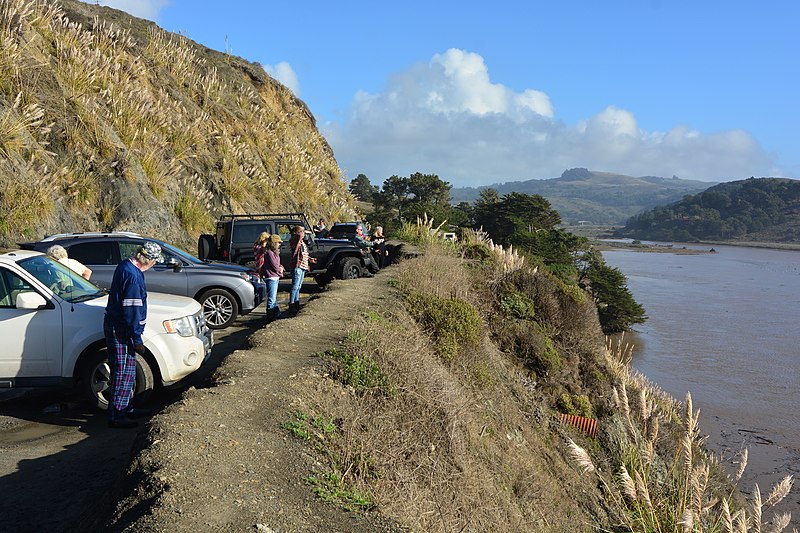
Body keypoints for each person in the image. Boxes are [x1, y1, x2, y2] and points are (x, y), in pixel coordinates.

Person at [103, 241, 161, 428]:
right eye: (154, 261)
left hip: (120, 326)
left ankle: (126, 408)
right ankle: (118, 415)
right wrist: (136, 338)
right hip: (122, 329)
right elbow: (132, 309)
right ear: (149, 260)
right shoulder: (133, 275)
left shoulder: (125, 266)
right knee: (123, 372)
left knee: (127, 371)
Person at [288, 225, 316, 316]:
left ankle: (296, 303)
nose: (303, 233)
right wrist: (301, 233)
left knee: (298, 287)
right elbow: (297, 238)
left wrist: (310, 259)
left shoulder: (302, 242)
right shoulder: (294, 240)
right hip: (297, 266)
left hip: (303, 267)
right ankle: (292, 304)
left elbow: (304, 254)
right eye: (301, 231)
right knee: (295, 287)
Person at [262, 234, 285, 320]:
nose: (280, 244)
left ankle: (276, 314)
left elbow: (277, 265)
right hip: (271, 278)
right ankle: (270, 318)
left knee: (273, 298)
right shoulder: (269, 253)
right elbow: (276, 266)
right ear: (274, 243)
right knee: (271, 299)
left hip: (274, 277)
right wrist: (281, 269)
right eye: (278, 242)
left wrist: (281, 267)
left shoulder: (274, 253)